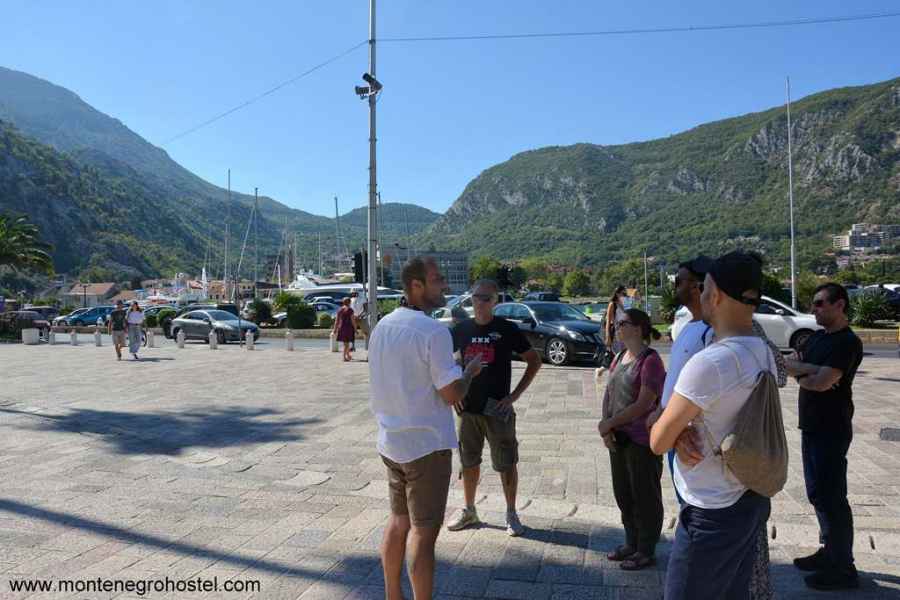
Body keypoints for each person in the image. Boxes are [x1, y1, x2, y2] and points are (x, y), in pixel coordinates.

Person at [650, 251, 777, 600]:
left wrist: (675, 430)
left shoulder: (712, 363)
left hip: (710, 510)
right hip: (747, 497)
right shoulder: (761, 350)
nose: (699, 296)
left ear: (716, 294)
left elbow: (658, 440)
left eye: (703, 288)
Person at [368, 256, 483, 600]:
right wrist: (468, 374)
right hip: (426, 447)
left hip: (391, 442)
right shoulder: (434, 331)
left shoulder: (382, 327)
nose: (444, 285)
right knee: (423, 532)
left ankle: (392, 595)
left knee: (398, 521)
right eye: (436, 279)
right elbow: (450, 395)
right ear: (416, 285)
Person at [446, 279, 542, 537]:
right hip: (467, 408)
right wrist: (455, 393)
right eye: (476, 297)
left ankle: (511, 513)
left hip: (497, 408)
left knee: (507, 462)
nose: (480, 302)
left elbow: (534, 360)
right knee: (468, 461)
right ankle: (469, 509)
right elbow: (443, 362)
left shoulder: (506, 329)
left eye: (486, 298)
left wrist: (514, 396)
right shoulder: (461, 329)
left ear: (496, 301)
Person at [784, 282, 862, 591]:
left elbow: (821, 382)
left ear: (839, 305)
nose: (813, 309)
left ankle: (843, 567)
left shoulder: (847, 343)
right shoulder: (816, 338)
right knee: (817, 494)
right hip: (812, 426)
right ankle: (829, 551)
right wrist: (810, 371)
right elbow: (794, 367)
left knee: (832, 497)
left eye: (819, 304)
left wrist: (806, 373)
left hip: (832, 427)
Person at [597, 308, 666, 570]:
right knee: (624, 494)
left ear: (638, 328)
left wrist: (609, 423)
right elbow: (609, 392)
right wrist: (607, 427)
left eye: (622, 323)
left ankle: (646, 549)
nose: (615, 326)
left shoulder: (651, 360)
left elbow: (643, 404)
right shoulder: (619, 357)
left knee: (645, 496)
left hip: (640, 440)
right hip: (618, 439)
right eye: (616, 323)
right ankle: (631, 542)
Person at [604, 286, 628, 353]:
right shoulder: (612, 304)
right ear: (617, 294)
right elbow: (608, 321)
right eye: (623, 293)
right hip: (616, 334)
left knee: (625, 354)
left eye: (625, 294)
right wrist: (608, 336)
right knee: (618, 355)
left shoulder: (624, 303)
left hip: (625, 333)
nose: (625, 295)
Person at [332, 297, 356, 362]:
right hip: (348, 328)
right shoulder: (350, 310)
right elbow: (353, 320)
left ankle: (348, 355)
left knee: (345, 343)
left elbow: (337, 320)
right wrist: (355, 328)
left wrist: (335, 329)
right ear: (349, 303)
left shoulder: (340, 310)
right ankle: (344, 357)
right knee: (347, 343)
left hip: (341, 327)